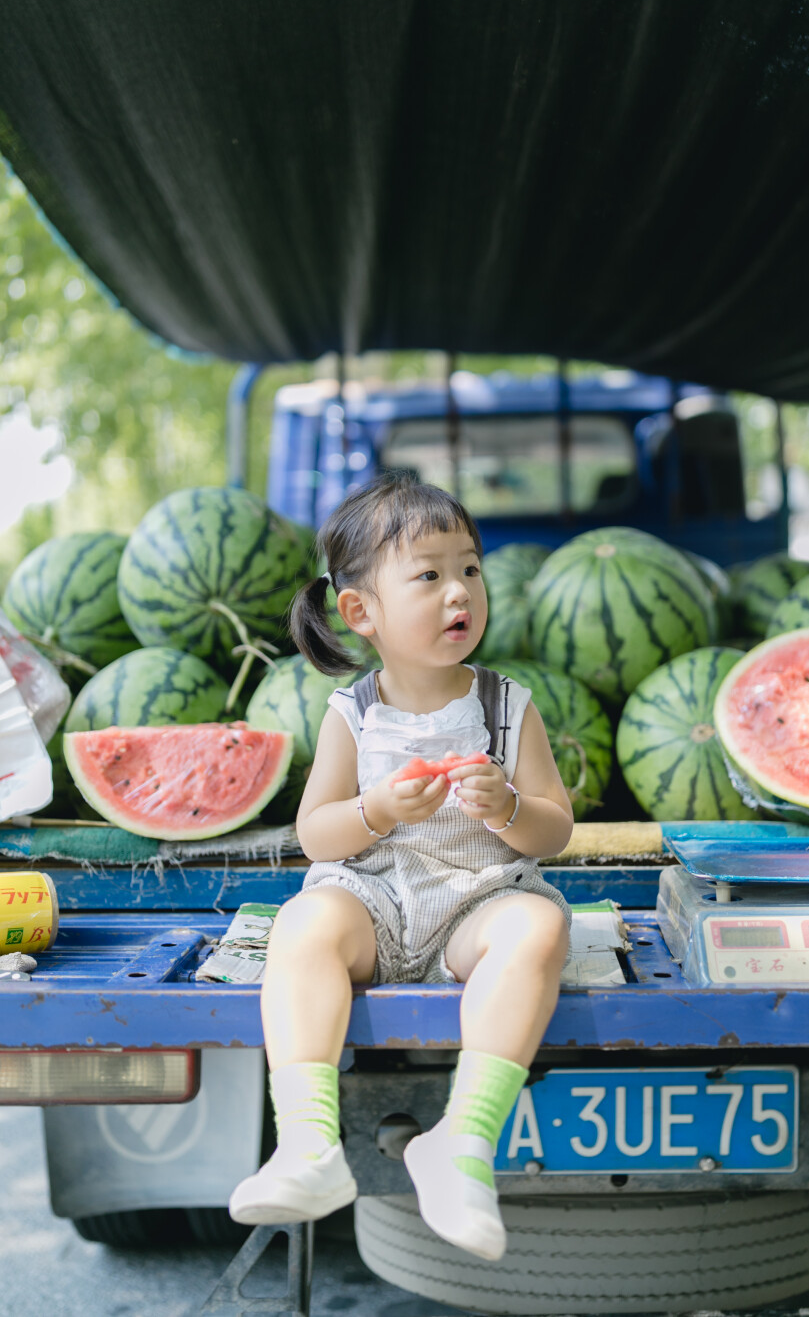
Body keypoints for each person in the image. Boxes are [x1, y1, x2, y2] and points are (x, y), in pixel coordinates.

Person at [229, 474, 574, 1261]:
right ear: (361, 612)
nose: (460, 591)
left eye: (471, 569)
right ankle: (309, 1145)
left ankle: (462, 1142)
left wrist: (510, 808)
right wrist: (377, 810)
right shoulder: (353, 712)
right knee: (305, 921)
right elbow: (317, 835)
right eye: (429, 574)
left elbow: (554, 831)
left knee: (540, 924)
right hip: (375, 900)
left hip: (474, 905)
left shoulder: (507, 705)